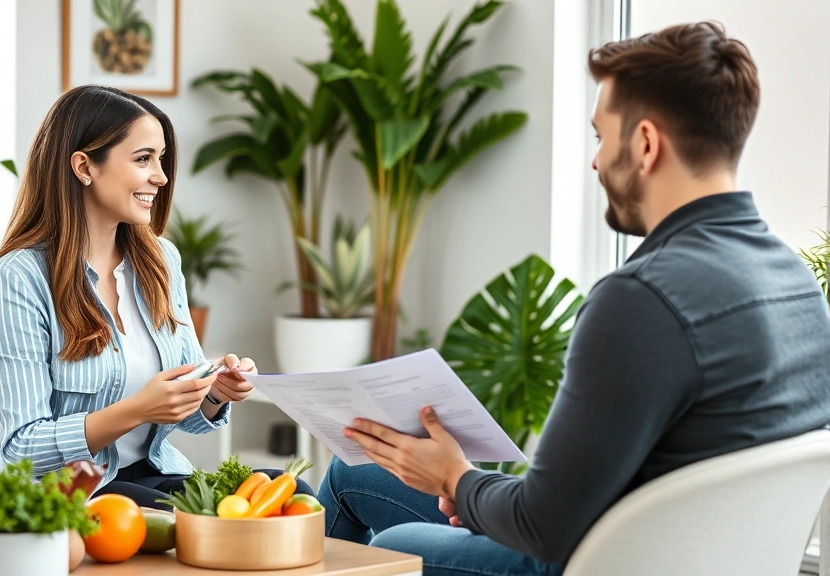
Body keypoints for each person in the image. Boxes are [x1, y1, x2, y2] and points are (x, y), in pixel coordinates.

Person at [316, 21, 830, 576]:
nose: (596, 161)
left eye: (602, 137)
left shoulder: (641, 299)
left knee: (394, 541)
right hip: (672, 549)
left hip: (596, 560)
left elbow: (546, 527)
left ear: (646, 145)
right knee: (354, 476)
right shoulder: (796, 284)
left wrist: (454, 479)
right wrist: (465, 480)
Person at [0, 85, 312, 508]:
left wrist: (215, 392)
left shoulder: (161, 261)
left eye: (161, 159)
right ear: (84, 166)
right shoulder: (18, 279)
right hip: (63, 492)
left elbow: (187, 414)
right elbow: (20, 449)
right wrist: (136, 409)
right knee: (196, 521)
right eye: (143, 158)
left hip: (152, 475)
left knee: (289, 492)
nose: (162, 176)